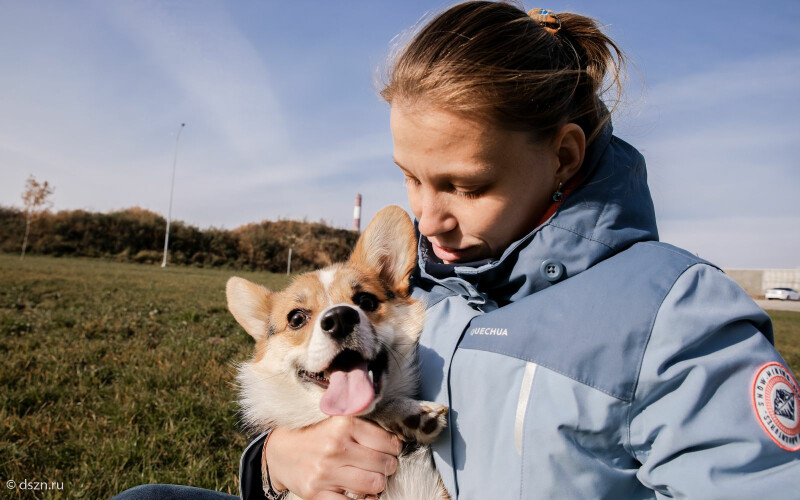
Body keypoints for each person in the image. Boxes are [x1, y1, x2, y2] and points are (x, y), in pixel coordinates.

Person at [116, 2, 800, 499]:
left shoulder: (675, 311)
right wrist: (277, 462)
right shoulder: (423, 297)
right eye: (410, 177)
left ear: (563, 156)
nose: (427, 217)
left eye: (464, 185)